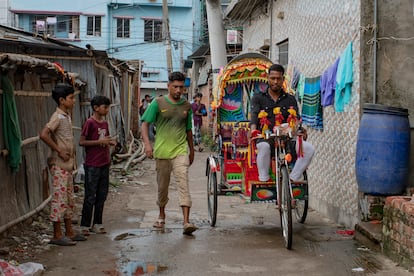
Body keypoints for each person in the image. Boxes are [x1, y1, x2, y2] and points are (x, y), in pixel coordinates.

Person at [141, 71, 198, 235]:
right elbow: (145, 124)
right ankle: (161, 215)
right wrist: (147, 145)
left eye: (181, 87)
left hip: (180, 151)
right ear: (168, 86)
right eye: (175, 87)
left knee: (183, 183)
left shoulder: (187, 106)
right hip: (162, 152)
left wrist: (191, 150)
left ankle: (186, 221)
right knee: (163, 187)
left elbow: (188, 130)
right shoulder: (157, 103)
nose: (179, 90)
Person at [40, 83, 87, 246]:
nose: (73, 101)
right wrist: (59, 150)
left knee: (68, 199)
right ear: (61, 100)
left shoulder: (66, 115)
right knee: (59, 199)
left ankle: (69, 232)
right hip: (59, 164)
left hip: (67, 166)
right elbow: (43, 134)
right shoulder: (57, 116)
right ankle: (57, 234)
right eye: (71, 98)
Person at [250, 64, 315, 182]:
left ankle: (292, 178)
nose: (275, 81)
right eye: (272, 78)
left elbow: (296, 119)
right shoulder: (258, 98)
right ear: (268, 78)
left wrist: (298, 129)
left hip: (287, 140)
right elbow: (254, 117)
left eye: (278, 78)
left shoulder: (290, 99)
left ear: (283, 79)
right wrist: (253, 131)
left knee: (309, 149)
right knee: (263, 147)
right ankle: (264, 180)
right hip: (266, 138)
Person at [79, 95, 116, 235]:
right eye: (105, 107)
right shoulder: (90, 123)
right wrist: (98, 142)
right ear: (96, 108)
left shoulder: (105, 124)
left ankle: (97, 223)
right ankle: (84, 225)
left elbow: (105, 139)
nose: (107, 110)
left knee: (102, 195)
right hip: (92, 164)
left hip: (104, 163)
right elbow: (82, 142)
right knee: (90, 195)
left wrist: (110, 142)